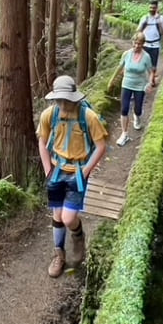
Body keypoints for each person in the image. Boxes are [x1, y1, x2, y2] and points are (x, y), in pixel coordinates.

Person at [37, 75, 108, 278]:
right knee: (57, 215)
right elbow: (42, 141)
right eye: (59, 100)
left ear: (74, 97)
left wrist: (85, 170)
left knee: (69, 218)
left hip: (77, 173)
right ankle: (59, 254)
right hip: (56, 171)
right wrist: (46, 169)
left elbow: (101, 146)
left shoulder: (89, 117)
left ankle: (78, 237)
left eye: (66, 99)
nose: (63, 104)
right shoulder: (49, 115)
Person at [116, 33, 156, 146]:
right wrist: (112, 80)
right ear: (132, 42)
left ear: (143, 44)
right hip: (126, 84)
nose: (137, 45)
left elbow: (151, 71)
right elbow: (120, 67)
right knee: (124, 109)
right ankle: (124, 134)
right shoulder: (126, 54)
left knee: (137, 109)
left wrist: (149, 83)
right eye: (135, 43)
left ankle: (137, 117)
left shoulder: (146, 57)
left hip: (140, 86)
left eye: (139, 43)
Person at [137, 0, 163, 72]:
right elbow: (138, 31)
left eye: (154, 8)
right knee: (142, 64)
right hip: (144, 44)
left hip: (155, 45)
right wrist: (143, 24)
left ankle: (153, 79)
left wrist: (159, 23)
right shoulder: (145, 18)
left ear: (157, 8)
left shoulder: (161, 18)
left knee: (153, 66)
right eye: (150, 8)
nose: (152, 9)